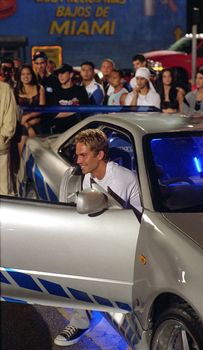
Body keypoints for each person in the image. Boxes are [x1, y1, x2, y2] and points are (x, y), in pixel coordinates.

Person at [54, 129, 142, 347]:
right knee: (69, 257)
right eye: (77, 155)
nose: (77, 160)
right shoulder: (87, 178)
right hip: (103, 238)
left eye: (83, 155)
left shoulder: (125, 179)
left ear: (100, 155)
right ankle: (81, 320)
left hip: (128, 244)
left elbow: (141, 222)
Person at [14, 64, 46, 155]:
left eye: (28, 74)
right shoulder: (15, 91)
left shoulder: (40, 88)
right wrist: (28, 126)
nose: (25, 76)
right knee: (23, 133)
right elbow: (15, 112)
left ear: (32, 75)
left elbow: (41, 109)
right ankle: (17, 164)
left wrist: (28, 116)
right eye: (23, 74)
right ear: (19, 76)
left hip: (37, 123)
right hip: (21, 124)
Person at [53, 63, 89, 132]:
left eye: (63, 73)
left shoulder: (80, 90)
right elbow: (54, 114)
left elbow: (84, 111)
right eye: (58, 74)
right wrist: (75, 109)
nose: (60, 76)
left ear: (71, 75)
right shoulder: (55, 92)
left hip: (77, 131)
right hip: (59, 131)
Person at [0, 81, 17, 195]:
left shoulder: (5, 89)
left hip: (0, 149)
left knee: (3, 190)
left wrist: (2, 138)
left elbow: (10, 120)